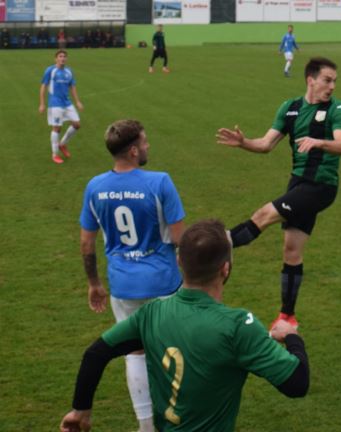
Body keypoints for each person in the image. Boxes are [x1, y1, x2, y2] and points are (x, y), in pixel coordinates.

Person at [59, 219, 309, 432]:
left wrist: (81, 411)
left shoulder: (151, 314)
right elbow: (297, 383)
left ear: (179, 261)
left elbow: (96, 354)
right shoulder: (238, 326)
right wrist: (292, 338)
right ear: (225, 269)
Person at [216, 57, 341, 329]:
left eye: (334, 81)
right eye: (327, 80)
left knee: (264, 214)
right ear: (310, 80)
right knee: (291, 251)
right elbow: (266, 144)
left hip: (321, 186)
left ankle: (218, 246)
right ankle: (287, 316)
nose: (332, 86)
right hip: (298, 184)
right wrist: (243, 142)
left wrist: (319, 142)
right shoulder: (290, 108)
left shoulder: (337, 109)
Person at [79, 119, 186, 431]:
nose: (149, 145)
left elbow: (87, 243)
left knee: (135, 354)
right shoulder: (160, 182)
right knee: (174, 350)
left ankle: (146, 425)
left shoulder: (95, 187)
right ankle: (178, 416)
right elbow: (180, 238)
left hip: (123, 286)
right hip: (164, 283)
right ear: (134, 151)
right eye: (145, 141)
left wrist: (94, 283)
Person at [39, 50, 84, 164]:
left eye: (64, 56)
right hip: (55, 103)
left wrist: (77, 102)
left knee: (77, 124)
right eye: (60, 56)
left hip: (67, 103)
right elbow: (43, 87)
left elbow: (72, 87)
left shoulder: (69, 71)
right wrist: (42, 103)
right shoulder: (50, 70)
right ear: (56, 59)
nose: (62, 58)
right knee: (57, 128)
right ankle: (55, 154)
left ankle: (62, 144)